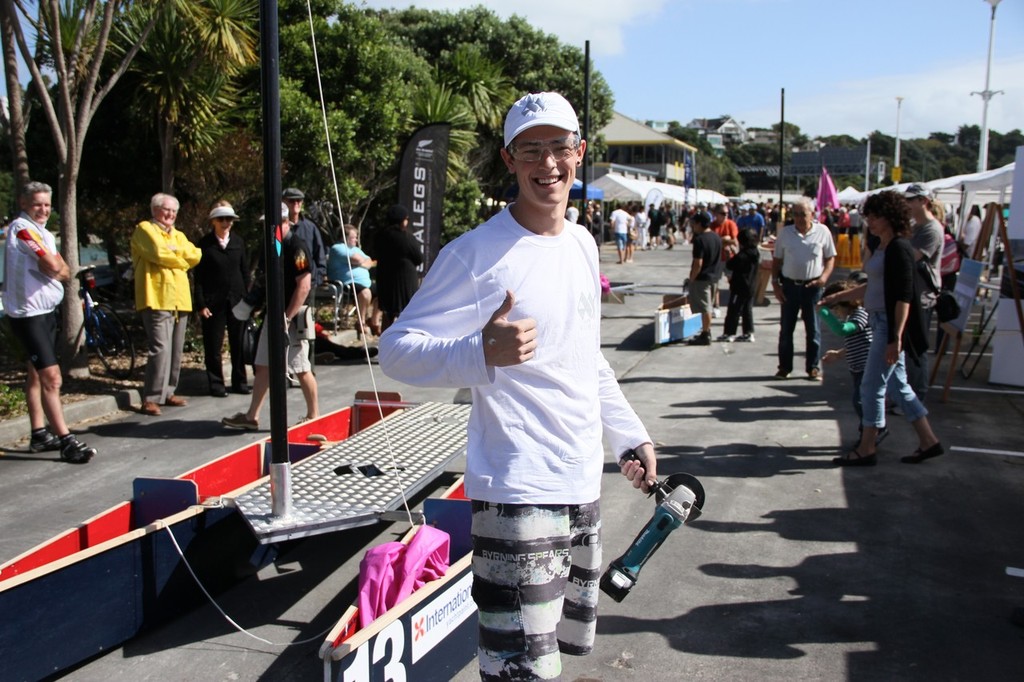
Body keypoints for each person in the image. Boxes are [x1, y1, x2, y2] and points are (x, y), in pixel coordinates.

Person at [378, 91, 657, 682]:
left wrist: (627, 435)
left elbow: (587, 359)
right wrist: (479, 352)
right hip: (516, 490)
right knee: (519, 670)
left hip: (582, 482)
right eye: (531, 149)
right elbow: (395, 350)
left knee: (553, 657)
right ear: (509, 160)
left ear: (580, 153)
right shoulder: (476, 254)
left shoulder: (582, 242)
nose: (547, 163)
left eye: (559, 147)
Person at [821, 190, 943, 466]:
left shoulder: (899, 247)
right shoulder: (883, 245)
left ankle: (867, 447)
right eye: (869, 216)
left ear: (890, 217)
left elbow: (903, 296)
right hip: (882, 323)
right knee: (899, 387)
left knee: (871, 386)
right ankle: (928, 441)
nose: (870, 221)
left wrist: (895, 337)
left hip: (887, 326)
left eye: (875, 217)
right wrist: (838, 297)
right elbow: (874, 285)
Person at [1, 181, 96, 463]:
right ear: (23, 203)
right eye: (36, 204)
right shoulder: (22, 229)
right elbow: (56, 267)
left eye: (46, 205)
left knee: (35, 374)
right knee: (52, 378)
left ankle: (39, 434)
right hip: (27, 315)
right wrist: (55, 268)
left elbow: (64, 269)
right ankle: (67, 440)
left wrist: (57, 268)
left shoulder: (41, 231)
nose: (42, 209)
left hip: (44, 312)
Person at [222, 202, 319, 430]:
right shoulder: (275, 244)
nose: (267, 228)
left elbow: (303, 286)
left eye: (271, 224)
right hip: (274, 315)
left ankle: (314, 416)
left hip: (289, 319)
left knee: (301, 367)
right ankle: (251, 416)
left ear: (284, 222)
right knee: (263, 365)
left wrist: (287, 318)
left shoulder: (297, 246)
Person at [131, 193, 202, 416]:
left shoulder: (178, 235)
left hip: (179, 299)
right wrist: (181, 260)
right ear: (154, 210)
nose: (170, 214)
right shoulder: (145, 229)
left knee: (176, 348)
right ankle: (151, 397)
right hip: (156, 297)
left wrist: (176, 253)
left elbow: (196, 255)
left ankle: (168, 391)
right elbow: (158, 253)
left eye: (173, 211)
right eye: (165, 209)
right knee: (160, 348)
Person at [771, 196, 836, 380]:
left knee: (813, 329)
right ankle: (784, 367)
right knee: (786, 329)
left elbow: (830, 257)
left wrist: (824, 277)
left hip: (813, 287)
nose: (799, 218)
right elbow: (776, 261)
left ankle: (813, 367)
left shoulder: (823, 232)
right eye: (796, 214)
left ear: (812, 214)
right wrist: (775, 284)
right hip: (790, 286)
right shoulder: (785, 233)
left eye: (803, 214)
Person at [194, 201, 251, 397]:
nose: (225, 223)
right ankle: (216, 384)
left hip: (236, 300)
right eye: (221, 219)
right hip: (213, 301)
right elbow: (198, 277)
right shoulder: (205, 244)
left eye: (229, 219)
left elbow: (245, 271)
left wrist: (247, 298)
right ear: (213, 222)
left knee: (238, 343)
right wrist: (200, 304)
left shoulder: (238, 242)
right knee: (213, 345)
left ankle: (239, 381)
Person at [819, 279, 878, 446]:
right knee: (862, 401)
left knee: (861, 401)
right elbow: (858, 342)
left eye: (836, 309)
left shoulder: (860, 314)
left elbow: (842, 330)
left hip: (867, 367)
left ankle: (874, 430)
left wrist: (823, 312)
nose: (836, 313)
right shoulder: (853, 315)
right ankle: (867, 431)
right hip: (858, 367)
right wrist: (839, 354)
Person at [904, 183, 943, 402]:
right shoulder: (914, 226)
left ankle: (917, 394)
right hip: (911, 294)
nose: (907, 204)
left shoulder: (931, 229)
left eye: (911, 200)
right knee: (906, 348)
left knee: (916, 348)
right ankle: (909, 393)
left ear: (923, 201)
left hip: (923, 298)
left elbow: (911, 257)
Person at [372, 203, 422, 332]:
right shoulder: (406, 237)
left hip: (385, 281)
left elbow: (374, 253)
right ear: (402, 220)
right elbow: (418, 258)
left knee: (387, 315)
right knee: (406, 315)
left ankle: (384, 343)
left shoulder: (380, 236)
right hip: (404, 283)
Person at [327, 224, 379, 336]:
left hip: (365, 282)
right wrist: (361, 262)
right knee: (365, 293)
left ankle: (374, 321)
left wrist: (361, 262)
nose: (356, 239)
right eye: (353, 237)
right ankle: (361, 322)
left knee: (384, 291)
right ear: (345, 238)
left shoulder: (355, 249)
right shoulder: (337, 248)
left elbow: (370, 261)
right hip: (346, 284)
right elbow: (356, 259)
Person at [685, 211, 722, 346]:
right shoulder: (716, 237)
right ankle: (705, 331)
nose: (693, 226)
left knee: (705, 307)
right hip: (714, 276)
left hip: (703, 278)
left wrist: (692, 278)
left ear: (700, 224)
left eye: (694, 223)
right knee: (708, 305)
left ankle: (706, 333)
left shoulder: (700, 240)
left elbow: (698, 263)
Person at [719, 227, 759, 343]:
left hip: (739, 287)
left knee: (734, 310)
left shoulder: (743, 255)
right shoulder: (755, 252)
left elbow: (731, 265)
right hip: (750, 286)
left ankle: (730, 333)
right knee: (747, 310)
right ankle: (748, 332)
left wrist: (729, 254)